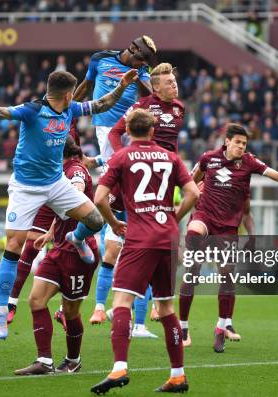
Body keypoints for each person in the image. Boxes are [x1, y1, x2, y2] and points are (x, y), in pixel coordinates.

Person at [0, 68, 138, 340]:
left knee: (94, 219)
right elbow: (1, 113)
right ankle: (2, 310)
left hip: (56, 183)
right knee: (14, 245)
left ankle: (77, 239)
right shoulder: (33, 110)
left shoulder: (69, 110)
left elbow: (103, 104)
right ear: (68, 94)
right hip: (26, 187)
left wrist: (122, 86)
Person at [90, 109, 200, 394]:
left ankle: (119, 369)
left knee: (123, 301)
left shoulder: (122, 156)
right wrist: (174, 217)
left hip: (139, 237)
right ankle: (178, 375)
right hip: (168, 237)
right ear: (153, 131)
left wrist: (115, 223)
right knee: (165, 307)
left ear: (127, 130)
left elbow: (99, 197)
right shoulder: (171, 157)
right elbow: (194, 193)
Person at [179, 123, 278, 352]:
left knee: (227, 276)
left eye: (244, 143)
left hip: (228, 227)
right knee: (193, 238)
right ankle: (183, 327)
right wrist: (192, 188)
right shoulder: (209, 158)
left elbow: (276, 176)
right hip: (204, 216)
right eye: (237, 142)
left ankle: (221, 327)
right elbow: (189, 181)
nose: (241, 146)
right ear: (226, 141)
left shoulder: (249, 163)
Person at [93, 62, 186, 337]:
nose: (174, 85)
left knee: (162, 241)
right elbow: (113, 132)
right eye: (169, 82)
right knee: (125, 233)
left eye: (175, 81)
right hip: (140, 174)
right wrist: (125, 158)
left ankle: (144, 306)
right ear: (156, 87)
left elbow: (174, 146)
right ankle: (82, 239)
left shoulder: (180, 108)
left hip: (166, 176)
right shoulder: (143, 107)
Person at [73, 36, 157, 334]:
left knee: (127, 171)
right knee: (118, 174)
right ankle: (95, 227)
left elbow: (151, 96)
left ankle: (96, 225)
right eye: (141, 61)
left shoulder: (142, 71)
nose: (142, 66)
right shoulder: (100, 58)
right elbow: (85, 85)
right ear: (133, 51)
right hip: (107, 126)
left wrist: (141, 79)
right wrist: (69, 106)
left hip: (131, 125)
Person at [14, 137, 98, 375]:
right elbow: (63, 206)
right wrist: (51, 233)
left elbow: (77, 192)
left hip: (78, 251)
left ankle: (73, 360)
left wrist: (71, 190)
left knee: (71, 312)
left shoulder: (76, 169)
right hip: (59, 247)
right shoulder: (59, 170)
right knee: (36, 300)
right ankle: (44, 361)